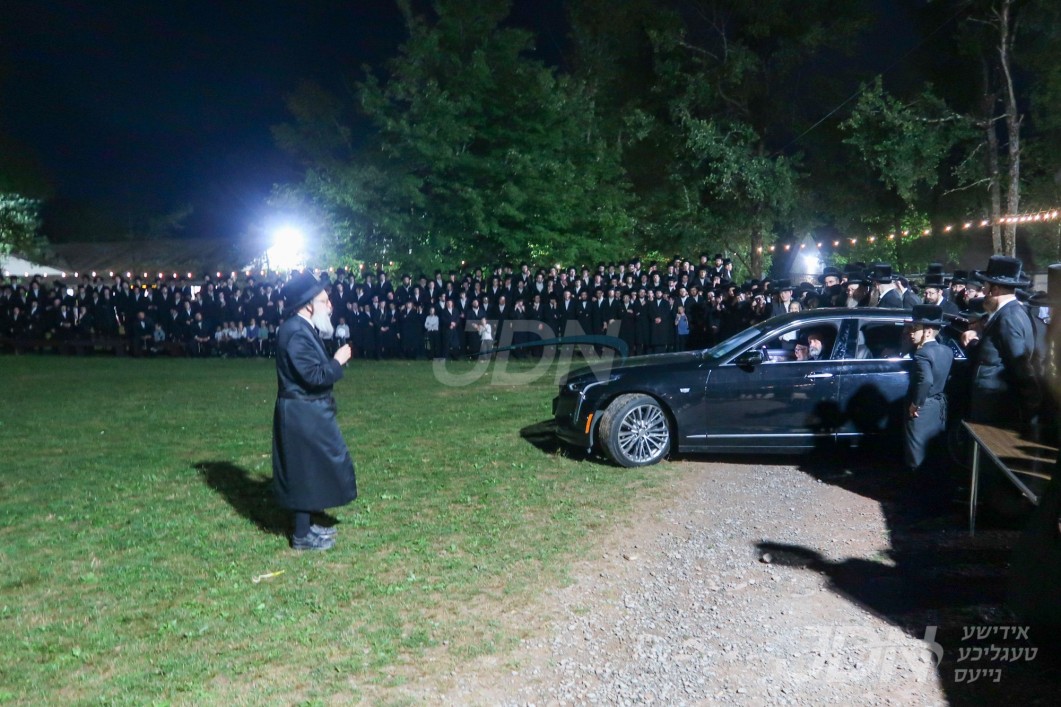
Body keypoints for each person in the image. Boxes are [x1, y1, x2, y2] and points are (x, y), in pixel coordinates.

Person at [272, 271, 357, 551]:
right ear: (308, 304)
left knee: (313, 468)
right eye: (324, 300)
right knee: (302, 470)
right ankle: (301, 535)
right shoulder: (295, 331)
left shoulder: (303, 328)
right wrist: (337, 361)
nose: (330, 305)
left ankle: (307, 526)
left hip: (309, 411)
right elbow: (313, 376)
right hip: (301, 412)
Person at [960, 255, 1041, 430]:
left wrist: (1031, 419)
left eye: (985, 288)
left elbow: (1021, 368)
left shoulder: (1009, 317)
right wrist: (975, 341)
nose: (983, 293)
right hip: (990, 406)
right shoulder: (1007, 313)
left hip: (995, 410)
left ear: (994, 290)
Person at [904, 304, 953, 476]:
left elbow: (926, 380)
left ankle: (917, 491)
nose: (911, 332)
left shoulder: (922, 354)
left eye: (916, 328)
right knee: (934, 452)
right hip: (939, 408)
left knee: (916, 453)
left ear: (928, 331)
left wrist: (915, 404)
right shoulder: (947, 351)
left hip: (923, 409)